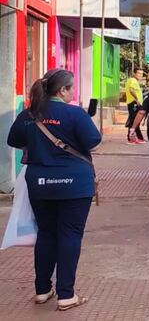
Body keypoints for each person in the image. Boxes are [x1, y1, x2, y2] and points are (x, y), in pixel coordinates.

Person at [7, 68, 100, 311]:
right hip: (75, 184)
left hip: (40, 183)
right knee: (70, 235)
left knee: (46, 233)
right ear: (63, 90)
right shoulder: (75, 114)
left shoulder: (29, 114)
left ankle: (42, 289)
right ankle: (66, 294)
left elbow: (14, 140)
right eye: (71, 88)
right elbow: (94, 142)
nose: (72, 92)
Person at [124, 68, 145, 144]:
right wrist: (136, 99)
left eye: (141, 74)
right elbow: (131, 90)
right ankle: (134, 138)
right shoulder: (133, 81)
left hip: (134, 103)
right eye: (138, 73)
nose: (140, 75)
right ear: (134, 73)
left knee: (134, 121)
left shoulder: (133, 81)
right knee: (134, 121)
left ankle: (137, 138)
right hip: (134, 103)